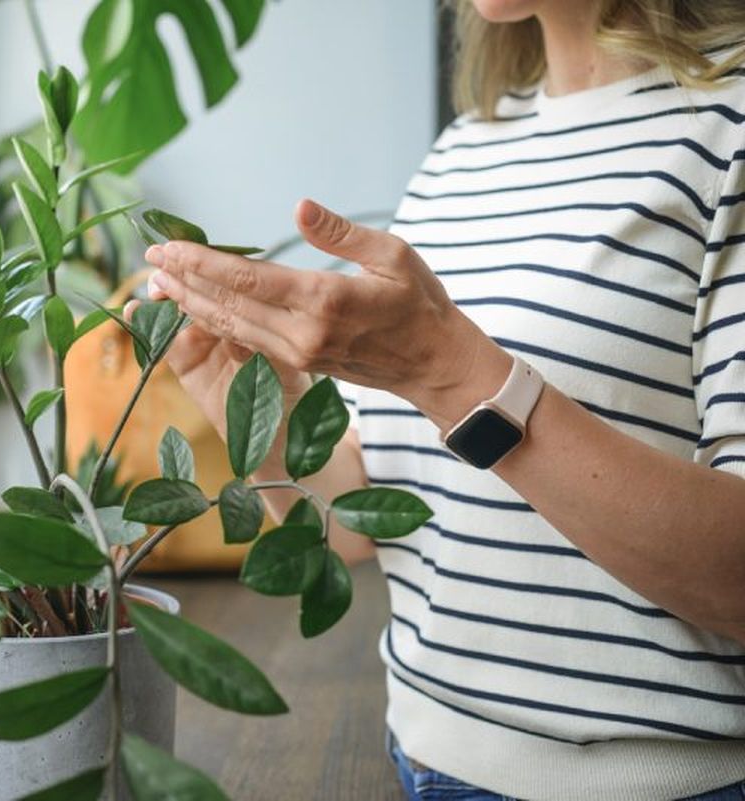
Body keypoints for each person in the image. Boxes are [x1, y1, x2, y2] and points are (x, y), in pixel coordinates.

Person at [137, 1, 745, 798]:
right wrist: (242, 400)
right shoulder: (465, 152)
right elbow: (362, 515)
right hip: (424, 761)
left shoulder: (728, 132)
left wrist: (451, 373)